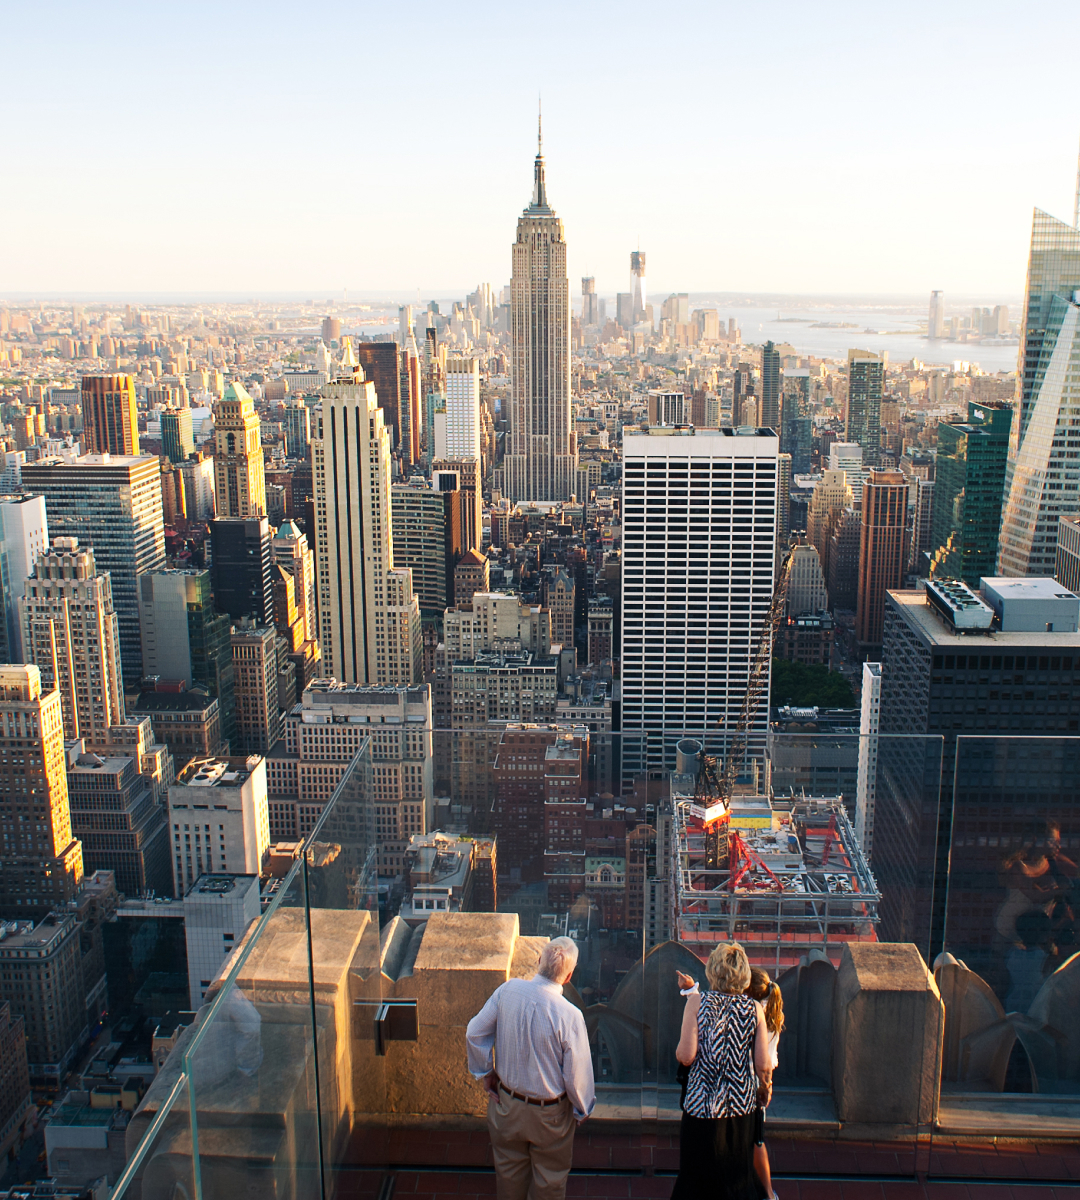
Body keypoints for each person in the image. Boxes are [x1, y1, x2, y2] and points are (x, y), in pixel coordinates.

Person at [466, 937, 595, 1200]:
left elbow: (474, 1033)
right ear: (568, 976)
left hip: (506, 1104)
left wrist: (486, 1072)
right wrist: (583, 1108)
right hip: (550, 1115)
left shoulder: (507, 990)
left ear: (538, 961)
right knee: (550, 1181)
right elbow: (576, 1074)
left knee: (508, 1175)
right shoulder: (570, 1015)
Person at [672, 943, 773, 1200]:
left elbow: (686, 1056)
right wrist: (765, 1088)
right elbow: (763, 1064)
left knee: (696, 1181)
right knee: (736, 1179)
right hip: (740, 1109)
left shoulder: (697, 1003)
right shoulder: (755, 1009)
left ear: (712, 971)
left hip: (701, 1107)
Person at [746, 968, 784, 1200]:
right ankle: (768, 1194)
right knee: (756, 1140)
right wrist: (768, 1086)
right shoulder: (774, 1013)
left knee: (748, 1141)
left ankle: (764, 1193)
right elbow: (770, 1059)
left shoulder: (751, 1017)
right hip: (761, 1086)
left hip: (745, 1084)